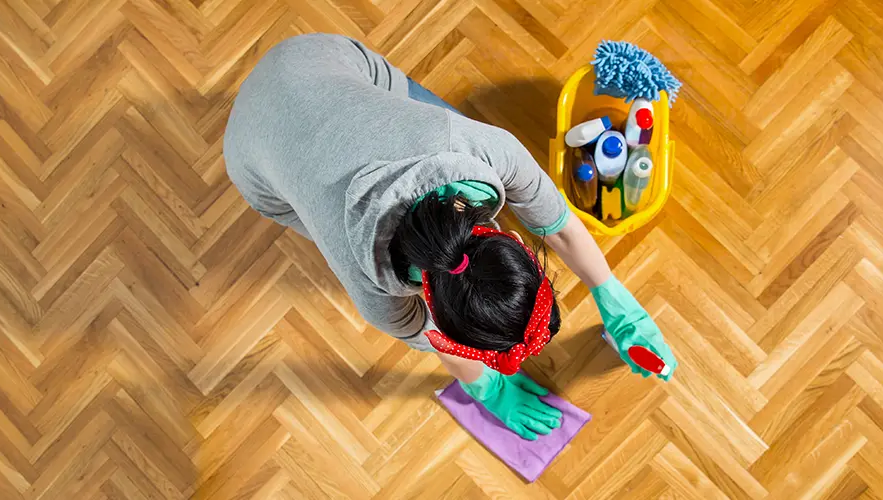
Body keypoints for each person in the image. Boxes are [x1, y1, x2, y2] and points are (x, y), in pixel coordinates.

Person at [224, 33, 677, 440]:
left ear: (514, 244)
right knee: (313, 205)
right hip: (255, 157)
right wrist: (486, 389)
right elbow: (433, 337)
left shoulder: (481, 148)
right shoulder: (371, 288)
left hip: (318, 59)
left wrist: (614, 296)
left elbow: (557, 225)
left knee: (423, 115)